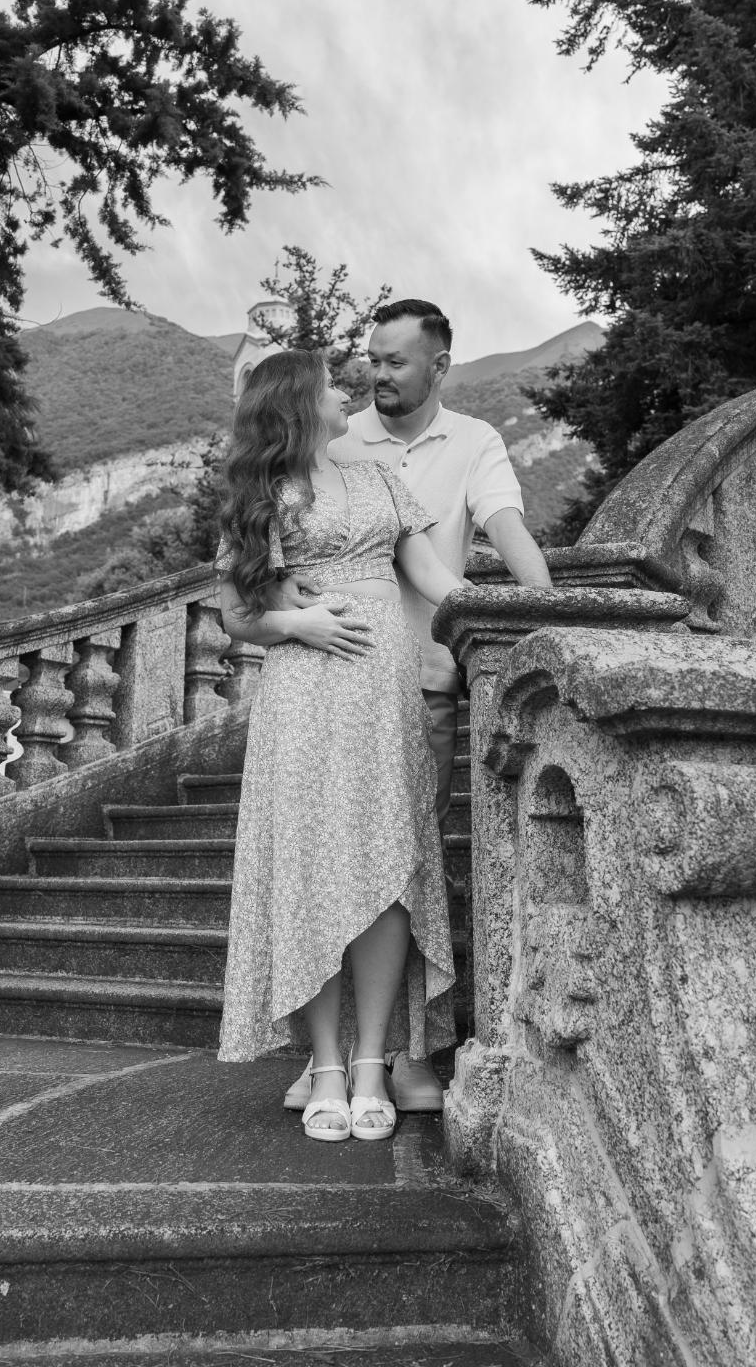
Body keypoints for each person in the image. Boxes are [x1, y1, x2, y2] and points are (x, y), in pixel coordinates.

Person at [285, 297, 552, 1115]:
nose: (376, 375)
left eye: (396, 361)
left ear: (440, 365)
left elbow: (503, 524)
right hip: (327, 684)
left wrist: (544, 611)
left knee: (403, 874)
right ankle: (325, 1058)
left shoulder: (474, 441)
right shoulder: (335, 437)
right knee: (319, 869)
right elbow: (263, 523)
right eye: (370, 358)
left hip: (424, 685)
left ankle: (401, 1054)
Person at [214, 348, 468, 1142]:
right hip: (305, 695)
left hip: (383, 697)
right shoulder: (263, 495)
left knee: (387, 864)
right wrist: (299, 623)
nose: (342, 392)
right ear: (297, 402)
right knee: (311, 869)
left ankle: (371, 1063)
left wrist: (508, 612)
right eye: (328, 384)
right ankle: (325, 1062)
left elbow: (433, 576)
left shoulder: (382, 481)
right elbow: (236, 614)